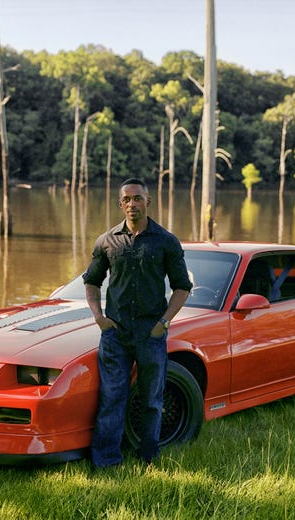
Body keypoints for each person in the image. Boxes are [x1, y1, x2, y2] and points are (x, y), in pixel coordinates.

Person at [83, 178, 192, 467]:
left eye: (138, 198)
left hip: (150, 333)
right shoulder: (107, 241)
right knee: (112, 398)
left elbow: (182, 286)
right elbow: (91, 282)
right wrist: (98, 318)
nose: (132, 204)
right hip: (115, 333)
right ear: (120, 204)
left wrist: (164, 323)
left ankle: (148, 458)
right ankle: (106, 461)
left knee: (151, 401)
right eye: (127, 199)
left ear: (148, 201)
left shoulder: (166, 241)